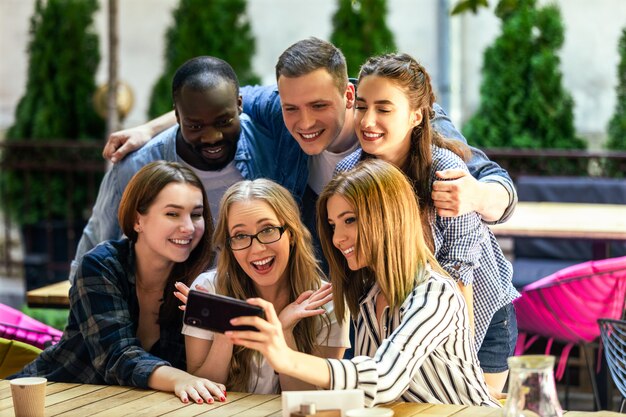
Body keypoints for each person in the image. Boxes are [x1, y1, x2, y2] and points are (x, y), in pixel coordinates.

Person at [103, 38, 517, 231]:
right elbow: (229, 100)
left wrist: (478, 197)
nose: (303, 123)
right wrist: (150, 127)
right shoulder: (282, 105)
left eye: (320, 106)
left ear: (348, 94)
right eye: (292, 108)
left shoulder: (409, 117)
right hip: (350, 305)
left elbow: (498, 185)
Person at [219, 159, 500, 407]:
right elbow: (365, 397)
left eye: (349, 220)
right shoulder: (368, 298)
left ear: (388, 218)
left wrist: (286, 358)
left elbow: (384, 378)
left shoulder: (436, 293)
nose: (337, 238)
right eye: (332, 226)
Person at [335, 53, 519, 393]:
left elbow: (459, 277)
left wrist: (460, 367)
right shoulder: (348, 174)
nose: (367, 120)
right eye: (361, 107)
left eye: (383, 109)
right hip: (398, 317)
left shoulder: (446, 174)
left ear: (416, 116)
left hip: (475, 316)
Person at [70, 55, 307, 280]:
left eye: (224, 122)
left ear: (239, 105)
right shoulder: (136, 167)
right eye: (195, 126)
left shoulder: (268, 144)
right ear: (177, 116)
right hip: (168, 309)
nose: (212, 137)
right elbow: (95, 246)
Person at [10, 161, 226, 404]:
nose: (188, 227)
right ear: (137, 220)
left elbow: (203, 371)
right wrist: (179, 379)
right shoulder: (100, 265)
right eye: (172, 214)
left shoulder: (201, 281)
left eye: (196, 214)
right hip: (52, 398)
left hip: (132, 407)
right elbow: (116, 355)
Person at [173, 179, 349, 394]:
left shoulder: (326, 299)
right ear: (230, 246)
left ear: (291, 234)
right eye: (240, 236)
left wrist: (284, 332)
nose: (257, 249)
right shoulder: (208, 289)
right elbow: (202, 389)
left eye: (267, 230)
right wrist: (225, 332)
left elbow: (311, 402)